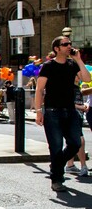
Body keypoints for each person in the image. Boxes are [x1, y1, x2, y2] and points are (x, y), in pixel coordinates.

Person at [34, 36, 91, 192]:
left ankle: (57, 164)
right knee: (56, 146)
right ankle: (57, 179)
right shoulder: (48, 66)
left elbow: (87, 79)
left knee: (75, 143)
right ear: (56, 49)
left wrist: (79, 60)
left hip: (70, 111)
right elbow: (39, 90)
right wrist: (39, 111)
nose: (69, 46)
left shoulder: (72, 64)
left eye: (70, 44)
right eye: (65, 44)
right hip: (52, 111)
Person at [65, 76, 88, 176]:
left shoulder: (77, 87)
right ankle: (83, 166)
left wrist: (84, 105)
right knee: (80, 140)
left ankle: (70, 165)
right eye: (78, 75)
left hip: (78, 115)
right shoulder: (69, 87)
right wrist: (81, 107)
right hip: (72, 115)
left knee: (72, 141)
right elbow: (66, 102)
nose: (80, 77)